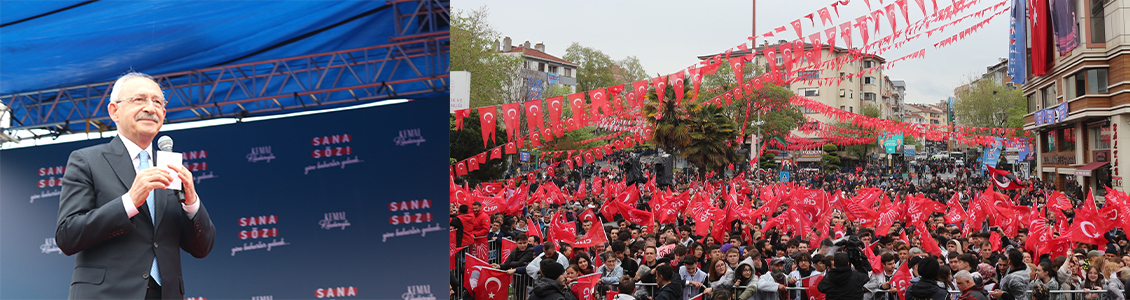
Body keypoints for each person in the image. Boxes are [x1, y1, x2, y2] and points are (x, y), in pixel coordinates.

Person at [56, 72, 216, 300]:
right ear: (114, 111)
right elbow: (67, 235)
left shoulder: (170, 167)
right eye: (139, 100)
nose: (150, 108)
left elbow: (202, 248)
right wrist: (129, 202)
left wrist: (192, 204)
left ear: (163, 114)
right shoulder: (87, 161)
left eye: (157, 102)